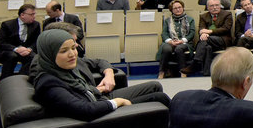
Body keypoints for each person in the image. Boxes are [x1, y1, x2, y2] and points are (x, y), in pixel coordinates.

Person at [32, 29, 169, 122]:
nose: (72, 54)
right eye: (64, 51)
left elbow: (82, 88)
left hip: (97, 97)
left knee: (155, 88)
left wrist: (101, 85)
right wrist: (118, 102)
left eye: (74, 48)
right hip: (101, 114)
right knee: (159, 97)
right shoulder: (49, 84)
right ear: (49, 54)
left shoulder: (61, 69)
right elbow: (85, 110)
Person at [0, 4, 40, 82]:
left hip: (26, 51)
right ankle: (4, 80)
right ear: (22, 15)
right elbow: (0, 43)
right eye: (31, 14)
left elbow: (36, 41)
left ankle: (20, 79)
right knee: (12, 56)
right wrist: (16, 49)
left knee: (34, 57)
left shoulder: (36, 25)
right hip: (9, 51)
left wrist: (29, 49)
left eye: (34, 14)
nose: (34, 16)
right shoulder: (7, 25)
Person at [157, 0, 196, 79]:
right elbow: (164, 34)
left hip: (185, 43)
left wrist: (182, 41)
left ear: (183, 8)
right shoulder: (167, 20)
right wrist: (170, 41)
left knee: (179, 48)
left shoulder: (190, 19)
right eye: (175, 8)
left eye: (179, 7)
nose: (178, 9)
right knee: (166, 48)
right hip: (171, 42)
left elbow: (192, 33)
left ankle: (183, 71)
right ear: (172, 10)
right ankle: (162, 71)